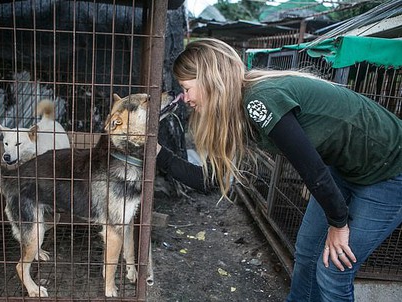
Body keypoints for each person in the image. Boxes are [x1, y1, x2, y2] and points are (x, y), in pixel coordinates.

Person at [156, 38, 402, 301]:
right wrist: (155, 153)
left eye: (186, 88)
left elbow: (311, 170)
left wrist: (338, 223)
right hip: (346, 168)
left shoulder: (259, 100)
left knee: (333, 271)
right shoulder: (236, 111)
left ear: (208, 78)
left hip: (389, 169)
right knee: (307, 253)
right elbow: (211, 181)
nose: (184, 99)